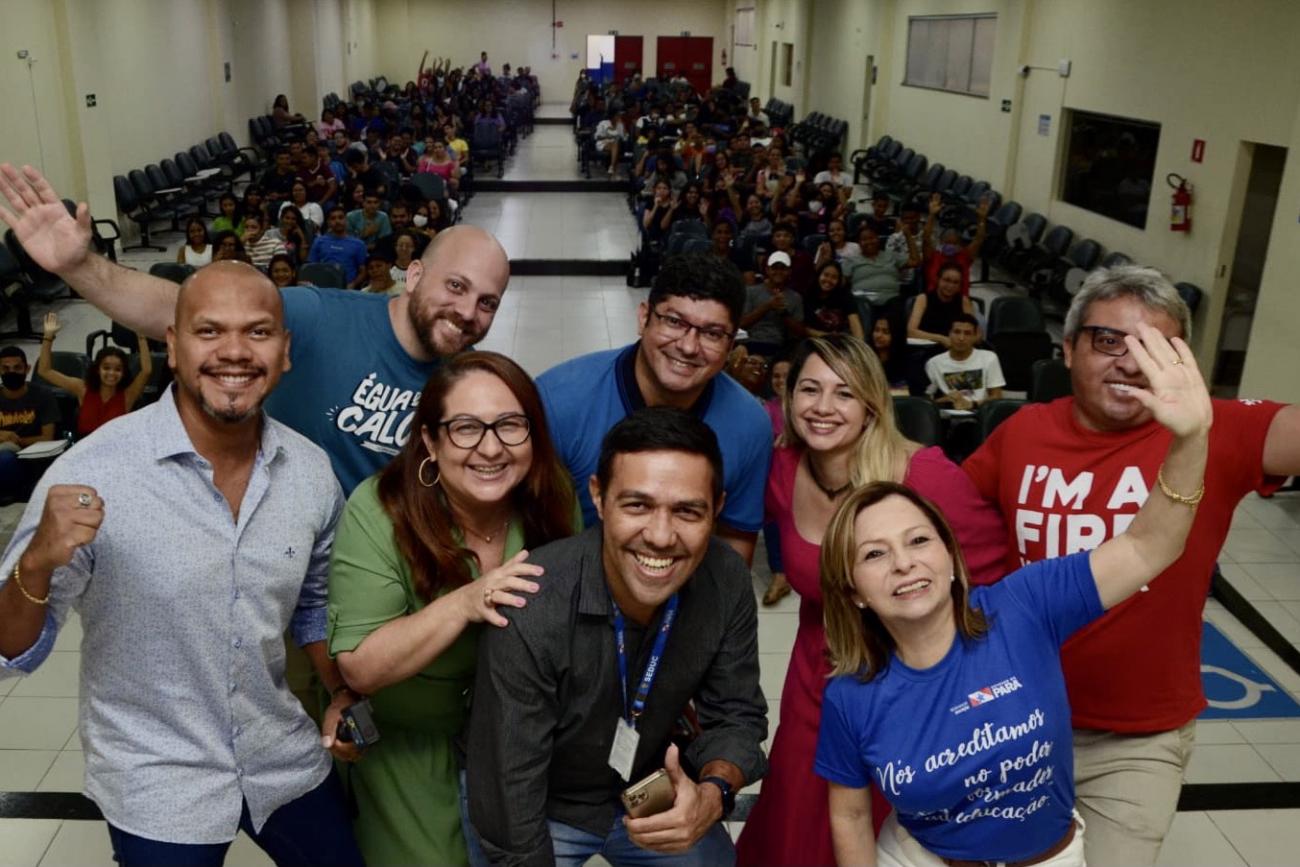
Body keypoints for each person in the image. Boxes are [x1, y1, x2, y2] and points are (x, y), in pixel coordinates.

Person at [0, 262, 364, 866]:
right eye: (209, 331)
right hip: (156, 772)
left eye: (257, 332)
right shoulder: (92, 471)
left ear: (285, 351)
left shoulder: (310, 473)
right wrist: (35, 563)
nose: (234, 352)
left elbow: (314, 607)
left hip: (280, 754)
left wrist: (342, 690)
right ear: (172, 346)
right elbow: (12, 651)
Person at [816, 321, 1213, 867]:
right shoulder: (851, 694)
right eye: (874, 554)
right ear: (855, 592)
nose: (904, 562)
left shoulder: (1023, 605)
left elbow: (1149, 548)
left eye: (918, 540)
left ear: (952, 560)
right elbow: (852, 814)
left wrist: (1191, 439)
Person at [962, 266, 1300, 866]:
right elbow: (945, 522)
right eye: (1107, 340)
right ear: (1067, 349)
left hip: (1137, 740)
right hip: (1017, 716)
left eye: (1153, 347)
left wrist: (1196, 421)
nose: (1127, 361)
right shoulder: (1022, 433)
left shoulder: (1213, 431)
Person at [0, 163, 511, 495]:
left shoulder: (467, 384)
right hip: (287, 568)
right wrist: (78, 266)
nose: (468, 312)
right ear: (415, 274)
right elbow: (182, 309)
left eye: (487, 302)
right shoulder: (318, 316)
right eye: (457, 286)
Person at [734, 334, 1009, 867]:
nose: (823, 407)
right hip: (816, 682)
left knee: (884, 834)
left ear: (872, 405)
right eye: (809, 389)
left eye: (844, 393)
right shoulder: (785, 469)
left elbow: (992, 583)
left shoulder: (924, 476)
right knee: (795, 825)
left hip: (903, 691)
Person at [467, 408, 768, 866]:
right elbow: (509, 789)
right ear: (599, 497)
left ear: (717, 509)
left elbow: (737, 715)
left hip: (646, 785)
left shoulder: (724, 578)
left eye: (687, 511)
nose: (662, 536)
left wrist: (713, 792)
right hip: (541, 800)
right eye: (638, 505)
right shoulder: (532, 604)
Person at [328, 351, 578, 866]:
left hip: (519, 744)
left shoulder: (553, 497)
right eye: (465, 428)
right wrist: (466, 601)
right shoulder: (378, 509)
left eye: (511, 425)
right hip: (411, 746)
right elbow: (360, 664)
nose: (491, 448)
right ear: (430, 440)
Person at [538, 253, 771, 564]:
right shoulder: (559, 400)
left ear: (731, 346)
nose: (688, 346)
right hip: (568, 581)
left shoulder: (749, 425)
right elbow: (521, 522)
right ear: (643, 317)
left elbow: (735, 542)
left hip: (681, 588)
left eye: (712, 334)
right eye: (674, 322)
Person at [37, 312, 152, 438]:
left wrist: (141, 337)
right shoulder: (82, 388)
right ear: (97, 369)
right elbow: (45, 371)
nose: (111, 373)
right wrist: (48, 337)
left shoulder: (128, 395)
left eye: (118, 369)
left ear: (124, 373)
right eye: (106, 368)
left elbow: (146, 371)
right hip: (84, 448)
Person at [0, 346, 58, 502]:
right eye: (6, 368)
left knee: (5, 459)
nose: (11, 372)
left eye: (17, 368)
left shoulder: (43, 395)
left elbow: (47, 438)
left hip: (33, 459)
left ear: (27, 369)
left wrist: (15, 440)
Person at [924, 313, 1004, 410]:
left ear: (975, 336)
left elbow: (997, 397)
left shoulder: (989, 358)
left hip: (981, 414)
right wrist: (944, 400)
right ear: (949, 334)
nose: (961, 338)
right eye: (957, 332)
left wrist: (972, 405)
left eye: (967, 333)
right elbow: (926, 402)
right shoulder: (934, 363)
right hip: (949, 415)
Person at [921, 192, 989, 297]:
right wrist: (932, 215)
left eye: (955, 243)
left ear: (961, 245)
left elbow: (979, 239)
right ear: (941, 242)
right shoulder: (933, 256)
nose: (951, 246)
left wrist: (982, 218)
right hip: (934, 302)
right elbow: (926, 238)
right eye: (947, 243)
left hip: (959, 303)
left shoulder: (965, 256)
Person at [740, 251, 807, 357]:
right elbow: (741, 324)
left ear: (789, 271)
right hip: (749, 343)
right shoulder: (750, 292)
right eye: (775, 268)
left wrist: (783, 313)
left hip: (780, 347)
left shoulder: (795, 297)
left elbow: (801, 333)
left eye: (783, 269)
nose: (778, 272)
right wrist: (768, 306)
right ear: (767, 270)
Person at [846, 225, 920, 311]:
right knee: (860, 306)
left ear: (878, 238)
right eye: (864, 239)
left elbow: (915, 261)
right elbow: (840, 281)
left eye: (872, 238)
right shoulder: (851, 260)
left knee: (898, 304)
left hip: (891, 301)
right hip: (862, 301)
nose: (869, 242)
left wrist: (908, 236)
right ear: (859, 242)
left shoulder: (890, 255)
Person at [908, 262, 976, 347]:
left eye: (956, 282)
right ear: (937, 279)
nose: (950, 286)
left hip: (955, 348)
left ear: (960, 286)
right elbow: (911, 331)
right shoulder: (923, 299)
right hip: (926, 348)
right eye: (947, 280)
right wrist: (941, 339)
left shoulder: (964, 301)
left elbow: (977, 333)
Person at [308, 206, 370, 287]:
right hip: (323, 288)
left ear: (346, 220)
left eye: (340, 217)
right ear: (328, 222)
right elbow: (311, 267)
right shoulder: (319, 241)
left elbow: (363, 271)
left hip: (348, 289)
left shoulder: (359, 244)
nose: (337, 221)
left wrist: (353, 284)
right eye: (333, 218)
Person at [805, 260, 864, 339]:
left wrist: (860, 346)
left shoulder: (845, 295)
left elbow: (855, 323)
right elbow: (805, 329)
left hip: (842, 341)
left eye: (834, 277)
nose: (829, 280)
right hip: (817, 340)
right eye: (826, 275)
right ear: (819, 275)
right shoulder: (809, 295)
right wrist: (828, 337)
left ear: (838, 281)